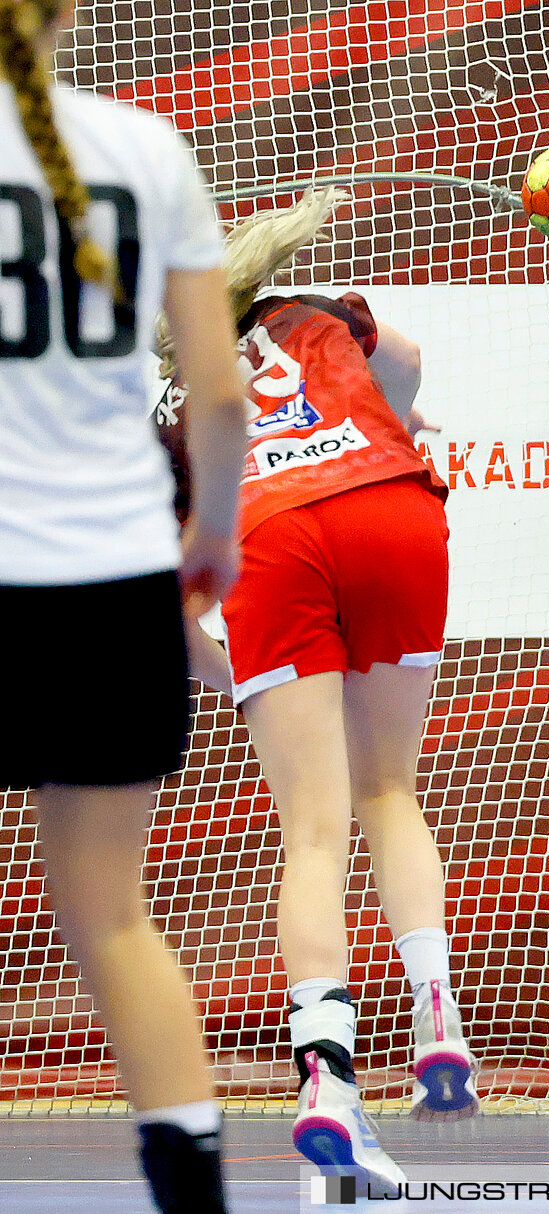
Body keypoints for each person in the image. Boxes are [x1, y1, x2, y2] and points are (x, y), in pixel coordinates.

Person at [156, 188, 476, 1193]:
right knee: (394, 792)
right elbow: (411, 362)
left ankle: (329, 1080)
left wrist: (239, 673)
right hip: (391, 507)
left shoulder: (166, 400)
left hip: (274, 538)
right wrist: (391, 410)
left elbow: (168, 605)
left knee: (314, 830)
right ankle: (439, 1014)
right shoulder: (317, 312)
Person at [0, 1, 247, 1209]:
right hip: (107, 579)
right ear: (72, 14)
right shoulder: (150, 150)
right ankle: (190, 1190)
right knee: (110, 916)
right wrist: (208, 543)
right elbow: (217, 393)